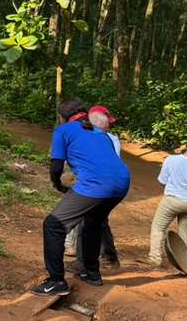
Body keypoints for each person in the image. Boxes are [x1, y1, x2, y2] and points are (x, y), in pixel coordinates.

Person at [35, 100, 130, 296]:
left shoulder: (63, 131)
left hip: (96, 184)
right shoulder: (100, 133)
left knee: (53, 225)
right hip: (122, 183)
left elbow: (56, 167)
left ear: (62, 117)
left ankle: (56, 281)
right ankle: (91, 272)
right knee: (93, 222)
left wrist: (58, 184)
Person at [70, 105, 121, 269]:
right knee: (100, 221)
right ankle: (110, 255)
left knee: (84, 223)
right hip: (109, 186)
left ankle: (82, 262)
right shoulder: (113, 139)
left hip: (95, 186)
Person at [149, 134, 187, 267]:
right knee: (185, 232)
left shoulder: (170, 159)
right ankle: (184, 264)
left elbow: (162, 181)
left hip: (171, 201)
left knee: (158, 228)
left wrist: (173, 189)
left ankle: (155, 259)